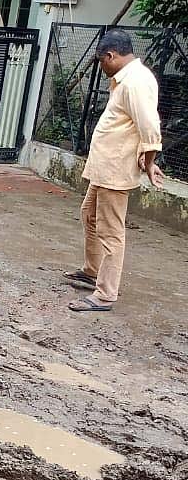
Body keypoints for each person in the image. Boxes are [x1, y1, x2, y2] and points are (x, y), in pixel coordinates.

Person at [64, 29, 164, 312]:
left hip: (116, 169)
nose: (102, 67)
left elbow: (150, 128)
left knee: (111, 231)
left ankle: (105, 294)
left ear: (111, 56)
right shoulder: (127, 79)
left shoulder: (136, 82)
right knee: (89, 214)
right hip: (106, 167)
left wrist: (150, 162)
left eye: (102, 62)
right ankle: (92, 271)